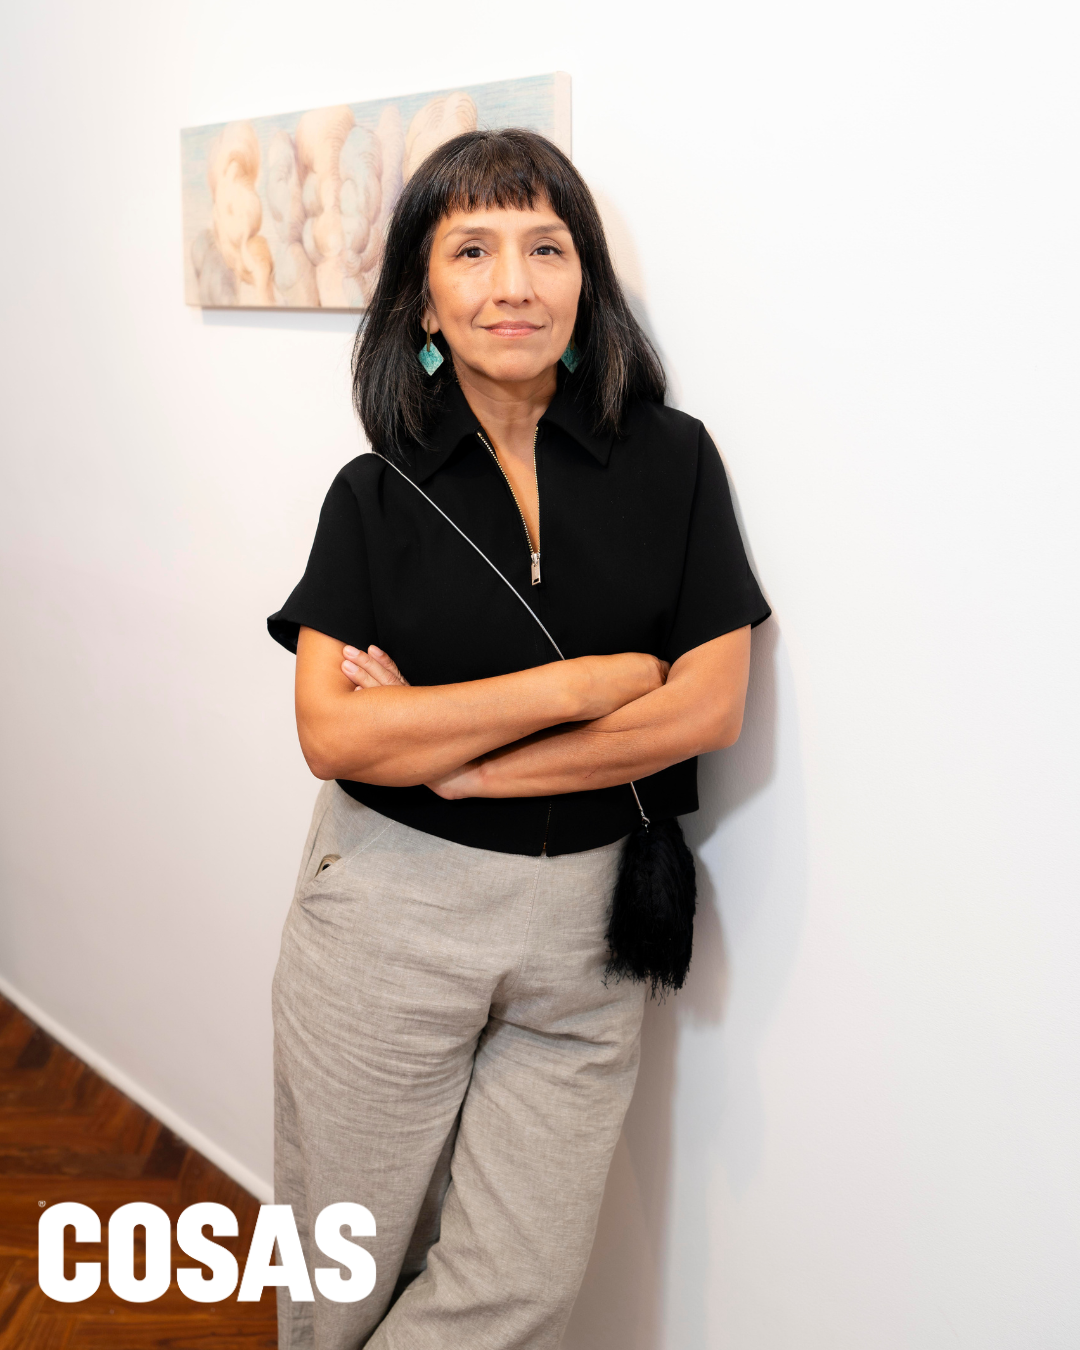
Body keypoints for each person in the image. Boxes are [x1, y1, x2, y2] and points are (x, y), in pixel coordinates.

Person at [267, 128, 770, 1350]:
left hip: (593, 931)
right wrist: (586, 686)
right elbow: (333, 732)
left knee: (521, 1291)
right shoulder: (376, 491)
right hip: (389, 915)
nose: (514, 285)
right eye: (473, 250)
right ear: (423, 295)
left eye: (547, 248)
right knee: (339, 1281)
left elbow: (706, 707)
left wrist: (455, 759)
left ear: (586, 277)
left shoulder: (674, 460)